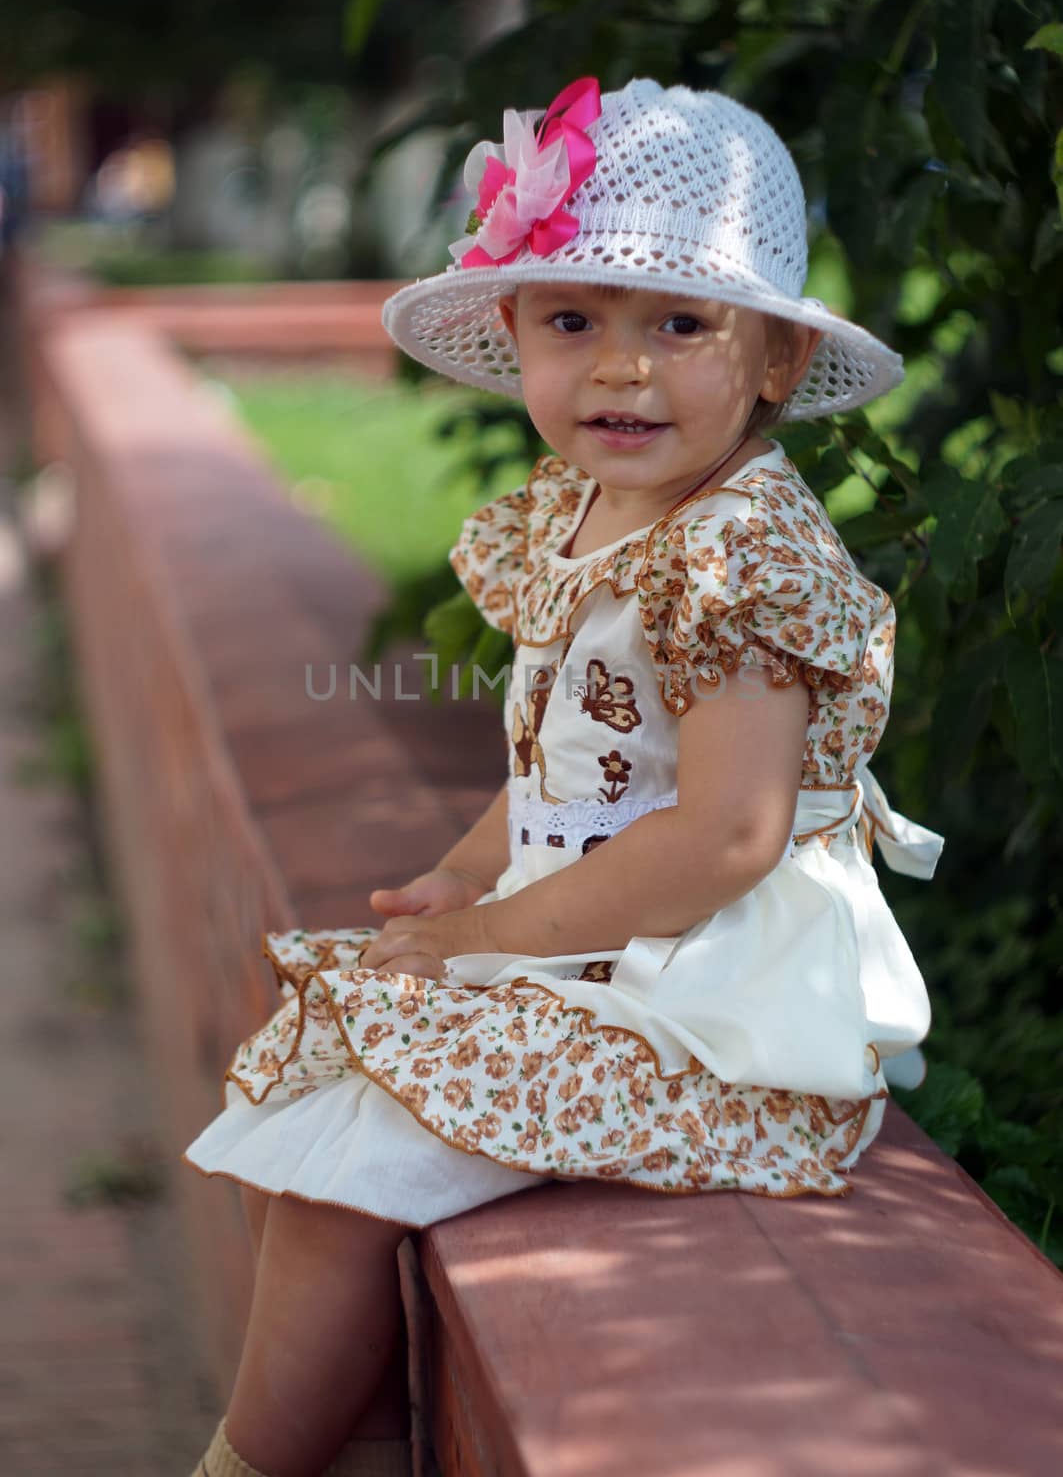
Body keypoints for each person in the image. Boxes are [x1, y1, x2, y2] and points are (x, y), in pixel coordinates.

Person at [183, 76, 946, 1477]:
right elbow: (563, 761)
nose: (621, 369)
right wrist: (464, 878)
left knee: (351, 1161)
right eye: (574, 320)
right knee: (316, 1096)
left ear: (775, 358)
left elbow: (724, 839)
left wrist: (479, 941)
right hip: (607, 944)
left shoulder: (740, 556)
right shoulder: (592, 511)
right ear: (515, 331)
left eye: (679, 324)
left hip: (722, 1003)